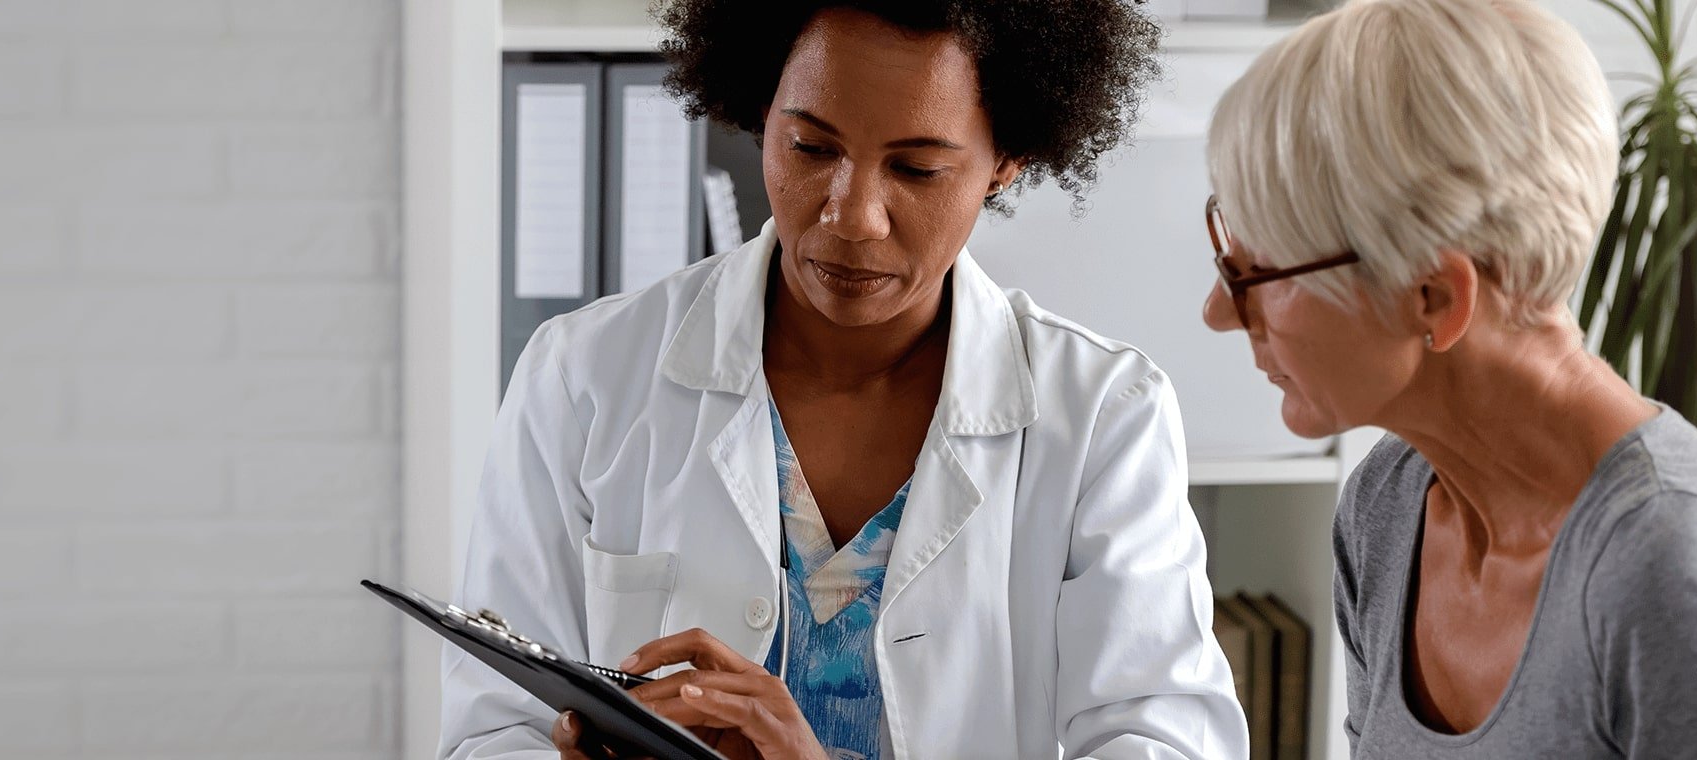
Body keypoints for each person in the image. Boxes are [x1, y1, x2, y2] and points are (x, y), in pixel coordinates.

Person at [441, 1, 1246, 758]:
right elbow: (492, 727)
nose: (852, 214)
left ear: (1006, 161)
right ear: (762, 114)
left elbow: (1164, 739)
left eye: (917, 169)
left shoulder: (1105, 415)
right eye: (812, 149)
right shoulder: (581, 377)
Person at [1197, 0, 1697, 755]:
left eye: (1258, 272)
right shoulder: (1385, 509)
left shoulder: (1679, 579)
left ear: (1435, 299)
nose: (1219, 310)